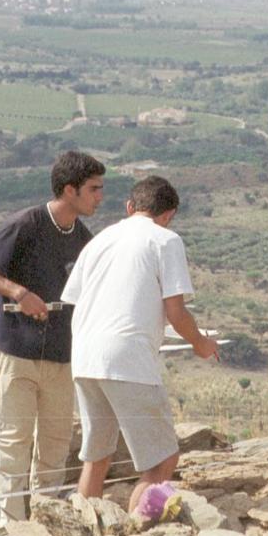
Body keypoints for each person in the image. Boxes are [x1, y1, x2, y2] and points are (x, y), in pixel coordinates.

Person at [60, 175, 219, 513]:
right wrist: (201, 344)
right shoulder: (166, 240)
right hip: (127, 359)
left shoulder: (99, 241)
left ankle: (86, 532)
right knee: (161, 461)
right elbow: (175, 311)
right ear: (169, 214)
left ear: (130, 207)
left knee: (97, 458)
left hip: (86, 355)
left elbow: (77, 298)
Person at [0, 151, 105, 534]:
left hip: (61, 358)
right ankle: (7, 531)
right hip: (15, 352)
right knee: (10, 443)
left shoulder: (83, 240)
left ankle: (47, 528)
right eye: (93, 189)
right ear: (69, 190)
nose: (99, 197)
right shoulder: (26, 224)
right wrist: (19, 293)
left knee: (56, 446)